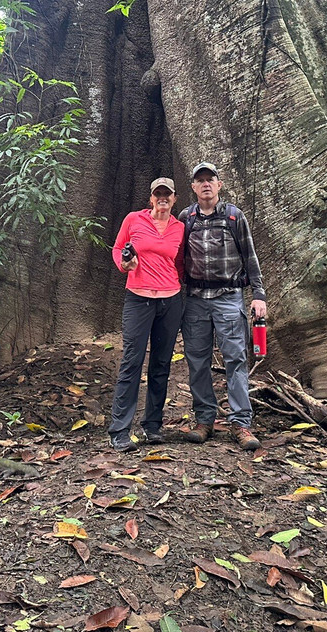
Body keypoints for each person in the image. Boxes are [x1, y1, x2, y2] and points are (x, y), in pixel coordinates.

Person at [180, 162, 266, 451]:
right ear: (193, 187)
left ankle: (241, 423)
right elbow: (176, 258)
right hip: (195, 300)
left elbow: (250, 256)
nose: (206, 184)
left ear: (219, 184)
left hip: (229, 297)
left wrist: (259, 294)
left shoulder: (233, 216)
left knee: (235, 360)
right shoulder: (186, 218)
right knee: (197, 361)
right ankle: (204, 420)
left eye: (210, 179)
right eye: (200, 180)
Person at [108, 177, 185, 452]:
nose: (162, 198)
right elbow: (118, 248)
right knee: (132, 360)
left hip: (170, 300)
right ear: (151, 198)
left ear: (174, 198)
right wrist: (124, 264)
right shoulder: (134, 219)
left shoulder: (180, 227)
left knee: (161, 364)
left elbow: (179, 262)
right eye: (158, 194)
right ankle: (119, 430)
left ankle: (152, 426)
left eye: (167, 194)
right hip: (139, 299)